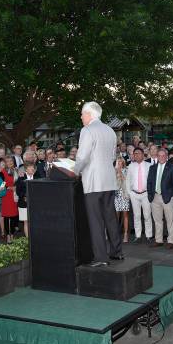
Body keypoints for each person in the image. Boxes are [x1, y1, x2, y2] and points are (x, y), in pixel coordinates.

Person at [73, 102, 122, 267]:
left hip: (93, 181)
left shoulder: (87, 130)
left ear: (89, 114)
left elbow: (82, 157)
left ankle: (101, 257)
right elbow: (112, 156)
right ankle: (117, 252)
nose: (81, 117)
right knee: (110, 218)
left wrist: (74, 171)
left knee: (95, 220)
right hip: (109, 179)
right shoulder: (110, 131)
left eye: (82, 114)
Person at [147, 148, 173, 249]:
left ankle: (171, 241)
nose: (161, 157)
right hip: (155, 197)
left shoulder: (172, 168)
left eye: (163, 156)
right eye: (159, 155)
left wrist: (171, 196)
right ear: (157, 156)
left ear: (166, 157)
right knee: (157, 220)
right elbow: (149, 182)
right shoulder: (152, 168)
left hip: (167, 197)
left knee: (170, 220)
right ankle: (159, 240)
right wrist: (150, 195)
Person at [126, 147, 153, 243]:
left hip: (145, 194)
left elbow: (151, 181)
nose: (136, 155)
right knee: (136, 215)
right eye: (135, 154)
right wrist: (130, 193)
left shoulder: (149, 166)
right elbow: (128, 180)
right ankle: (138, 236)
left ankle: (149, 235)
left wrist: (150, 193)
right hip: (134, 194)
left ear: (143, 155)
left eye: (138, 153)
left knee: (147, 215)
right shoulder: (130, 166)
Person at [0, 156, 19, 244]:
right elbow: (1, 185)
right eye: (7, 161)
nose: (10, 162)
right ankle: (8, 235)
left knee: (14, 216)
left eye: (11, 161)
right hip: (6, 196)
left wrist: (16, 188)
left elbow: (20, 182)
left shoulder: (17, 171)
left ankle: (12, 235)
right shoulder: (2, 172)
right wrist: (10, 188)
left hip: (15, 196)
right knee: (7, 217)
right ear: (5, 163)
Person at [16, 162, 35, 238]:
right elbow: (18, 192)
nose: (31, 169)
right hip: (23, 203)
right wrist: (24, 196)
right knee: (26, 221)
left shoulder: (38, 178)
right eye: (29, 168)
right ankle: (28, 239)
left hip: (35, 203)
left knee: (34, 221)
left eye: (33, 168)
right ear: (26, 170)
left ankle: (34, 237)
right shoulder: (21, 178)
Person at [114, 157, 130, 243]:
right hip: (116, 196)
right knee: (116, 216)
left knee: (125, 215)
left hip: (124, 195)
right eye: (118, 162)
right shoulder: (113, 171)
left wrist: (120, 172)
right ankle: (115, 233)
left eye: (121, 162)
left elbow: (126, 181)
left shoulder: (126, 170)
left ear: (123, 163)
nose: (119, 163)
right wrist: (116, 171)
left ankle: (125, 234)